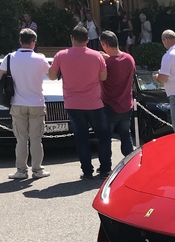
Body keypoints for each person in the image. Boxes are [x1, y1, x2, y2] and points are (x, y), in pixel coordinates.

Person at [48, 24, 112, 180]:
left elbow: (51, 76)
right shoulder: (96, 56)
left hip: (73, 103)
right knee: (103, 136)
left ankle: (87, 170)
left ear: (72, 38)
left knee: (81, 138)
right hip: (94, 103)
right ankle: (104, 168)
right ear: (87, 40)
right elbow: (104, 77)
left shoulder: (61, 55)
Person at [0, 28, 51, 179]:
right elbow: (52, 76)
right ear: (34, 42)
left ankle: (21, 171)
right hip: (37, 102)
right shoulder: (40, 59)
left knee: (21, 138)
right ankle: (37, 170)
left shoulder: (9, 58)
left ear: (20, 41)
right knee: (36, 138)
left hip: (17, 103)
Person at [99, 30, 135, 156]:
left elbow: (101, 77)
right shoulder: (129, 59)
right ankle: (130, 163)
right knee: (126, 135)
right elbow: (119, 63)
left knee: (105, 137)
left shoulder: (107, 63)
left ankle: (105, 167)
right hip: (127, 104)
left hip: (110, 105)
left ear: (105, 45)